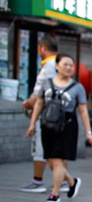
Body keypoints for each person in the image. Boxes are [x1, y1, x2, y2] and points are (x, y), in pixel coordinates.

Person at [24, 53, 92, 202]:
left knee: (57, 161)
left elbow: (83, 110)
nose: (68, 68)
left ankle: (54, 194)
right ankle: (71, 181)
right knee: (50, 160)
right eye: (65, 64)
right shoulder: (47, 83)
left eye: (71, 65)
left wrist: (89, 132)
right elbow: (38, 104)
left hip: (67, 127)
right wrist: (32, 124)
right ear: (56, 66)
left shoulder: (77, 87)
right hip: (48, 125)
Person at [19, 35, 58, 193]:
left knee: (41, 148)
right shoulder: (58, 64)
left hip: (45, 113)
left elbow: (40, 92)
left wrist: (30, 101)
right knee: (55, 150)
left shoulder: (49, 65)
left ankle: (38, 181)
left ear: (42, 48)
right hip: (56, 115)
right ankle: (63, 181)